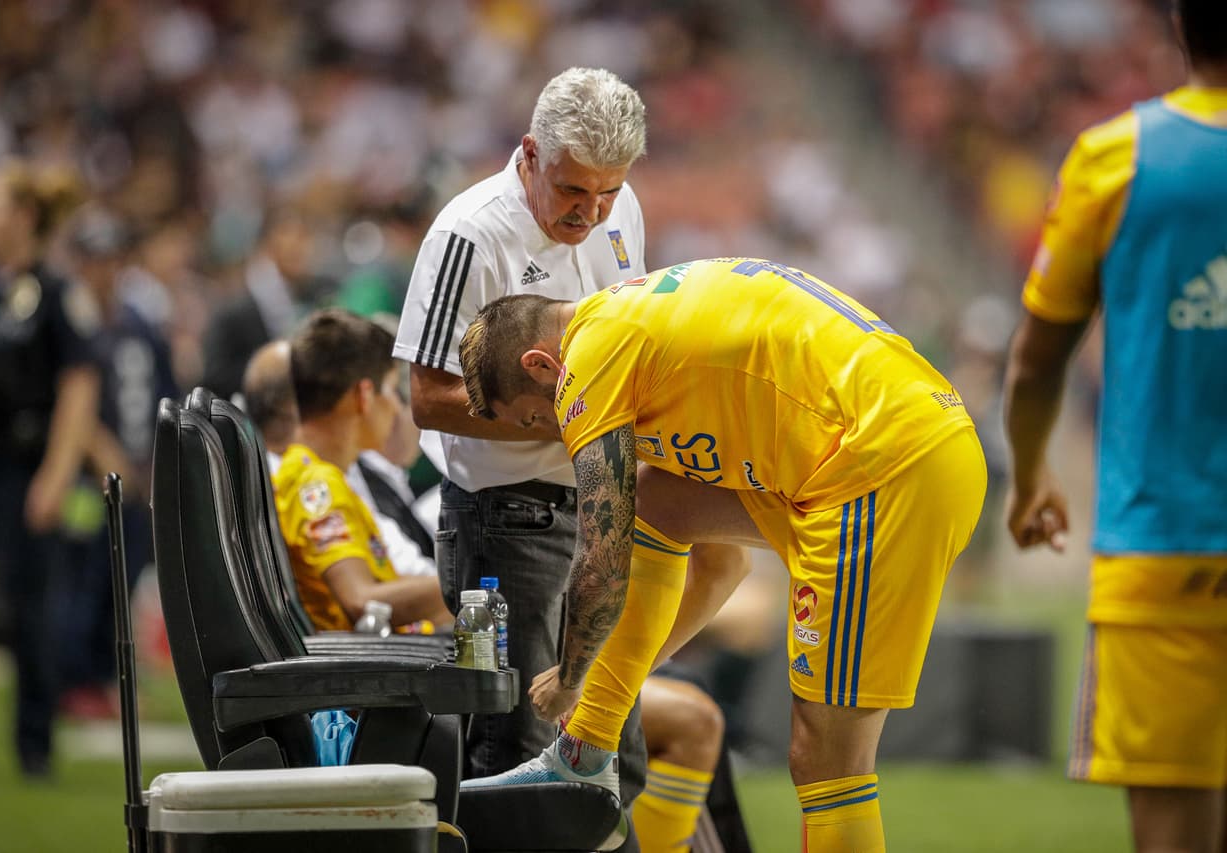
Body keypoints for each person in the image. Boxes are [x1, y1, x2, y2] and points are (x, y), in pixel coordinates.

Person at [457, 257, 987, 852]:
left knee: (828, 761)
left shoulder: (590, 356)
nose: (554, 428)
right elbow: (720, 564)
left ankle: (582, 747)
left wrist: (573, 678)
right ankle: (585, 752)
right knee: (660, 504)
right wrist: (619, 681)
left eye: (539, 414)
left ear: (540, 364)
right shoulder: (639, 330)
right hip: (883, 452)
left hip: (881, 468)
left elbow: (601, 556)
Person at [392, 67, 751, 842]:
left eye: (608, 193)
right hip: (503, 521)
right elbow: (424, 396)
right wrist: (576, 424)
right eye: (572, 191)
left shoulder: (626, 216)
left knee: (608, 751)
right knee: (519, 753)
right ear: (529, 154)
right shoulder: (469, 233)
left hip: (597, 507)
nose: (590, 213)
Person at [1003, 4, 1227, 851]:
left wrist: (1031, 479)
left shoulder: (1115, 157)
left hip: (1161, 556)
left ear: (1179, 24)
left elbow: (1036, 360)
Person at [0, 159, 99, 778]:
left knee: (29, 606)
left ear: (22, 217)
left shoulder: (58, 294)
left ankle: (34, 746)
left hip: (24, 467)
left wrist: (57, 473)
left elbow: (80, 385)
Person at [56, 206, 177, 720]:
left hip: (136, 479)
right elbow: (63, 401)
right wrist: (97, 451)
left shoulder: (138, 326)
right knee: (80, 580)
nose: (102, 268)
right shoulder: (68, 322)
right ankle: (74, 680)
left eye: (110, 258)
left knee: (120, 580)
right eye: (93, 258)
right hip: (85, 482)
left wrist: (153, 461)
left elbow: (165, 393)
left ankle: (105, 679)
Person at [272, 309, 451, 631]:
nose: (397, 407)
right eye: (392, 390)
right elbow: (360, 600)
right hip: (375, 672)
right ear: (364, 396)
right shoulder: (315, 485)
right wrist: (468, 590)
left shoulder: (321, 473)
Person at [201, 206, 335, 400]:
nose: (299, 250)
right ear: (267, 247)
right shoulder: (235, 308)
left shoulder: (319, 292)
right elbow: (215, 376)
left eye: (303, 240)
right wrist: (274, 371)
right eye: (290, 243)